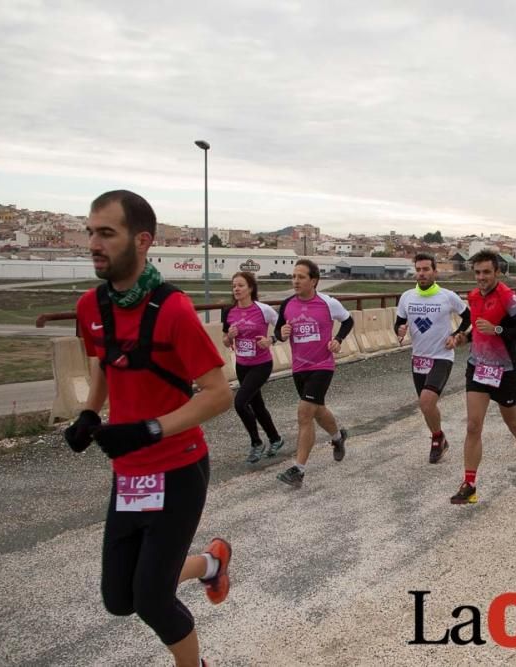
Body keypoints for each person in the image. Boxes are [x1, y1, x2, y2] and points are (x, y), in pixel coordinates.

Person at [64, 190, 233, 667]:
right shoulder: (90, 306)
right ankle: (211, 564)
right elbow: (106, 363)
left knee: (153, 601)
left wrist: (150, 429)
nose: (94, 243)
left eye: (107, 233)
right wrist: (90, 414)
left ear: (142, 241)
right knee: (120, 598)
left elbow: (218, 393)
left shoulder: (173, 310)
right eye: (91, 232)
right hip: (130, 474)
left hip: (178, 469)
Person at [450, 250, 516, 504]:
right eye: (477, 273)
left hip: (505, 370)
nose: (481, 277)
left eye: (486, 272)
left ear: (497, 272)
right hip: (478, 367)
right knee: (473, 425)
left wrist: (498, 329)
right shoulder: (474, 296)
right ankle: (470, 484)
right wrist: (462, 336)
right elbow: (475, 327)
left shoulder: (508, 298)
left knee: (511, 420)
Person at [274, 259, 354, 488]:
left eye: (301, 277)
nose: (295, 281)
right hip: (299, 368)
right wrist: (282, 332)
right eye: (294, 277)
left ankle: (298, 470)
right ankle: (338, 437)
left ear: (314, 281)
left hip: (322, 365)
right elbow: (279, 333)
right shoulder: (287, 304)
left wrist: (338, 340)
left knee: (304, 413)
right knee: (317, 411)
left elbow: (348, 321)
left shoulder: (328, 303)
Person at [394, 253, 471, 463]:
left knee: (427, 401)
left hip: (442, 356)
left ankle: (436, 441)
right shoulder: (407, 297)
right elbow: (398, 324)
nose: (421, 273)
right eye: (418, 269)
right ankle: (439, 437)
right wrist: (399, 331)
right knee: (425, 405)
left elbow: (468, 316)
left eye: (426, 269)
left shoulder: (447, 296)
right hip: (418, 357)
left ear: (435, 272)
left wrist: (456, 335)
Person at [222, 271, 283, 464]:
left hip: (262, 364)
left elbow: (284, 328)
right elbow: (225, 341)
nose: (236, 289)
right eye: (233, 286)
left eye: (240, 285)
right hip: (242, 365)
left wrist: (270, 339)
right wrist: (230, 336)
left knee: (240, 403)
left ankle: (256, 443)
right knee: (257, 405)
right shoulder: (229, 312)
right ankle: (275, 439)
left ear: (250, 288)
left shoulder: (263, 310)